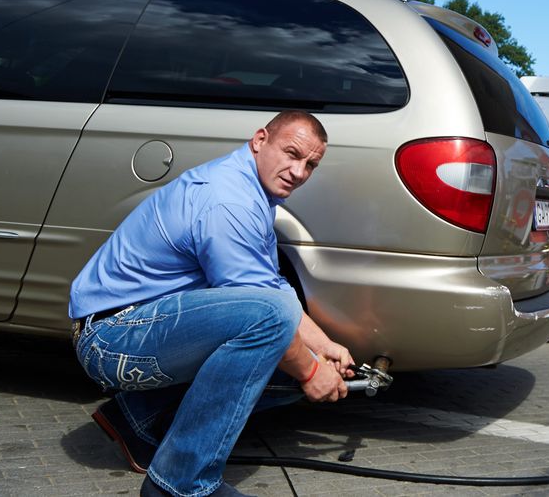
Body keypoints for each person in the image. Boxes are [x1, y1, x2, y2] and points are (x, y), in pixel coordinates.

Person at [68, 110, 355, 497]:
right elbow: (268, 314)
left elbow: (271, 286)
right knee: (275, 333)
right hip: (113, 338)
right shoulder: (228, 201)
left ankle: (135, 418)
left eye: (310, 165)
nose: (299, 171)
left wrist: (324, 347)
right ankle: (180, 482)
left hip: (137, 327)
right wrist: (310, 373)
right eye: (291, 153)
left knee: (285, 336)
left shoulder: (250, 188)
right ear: (259, 140)